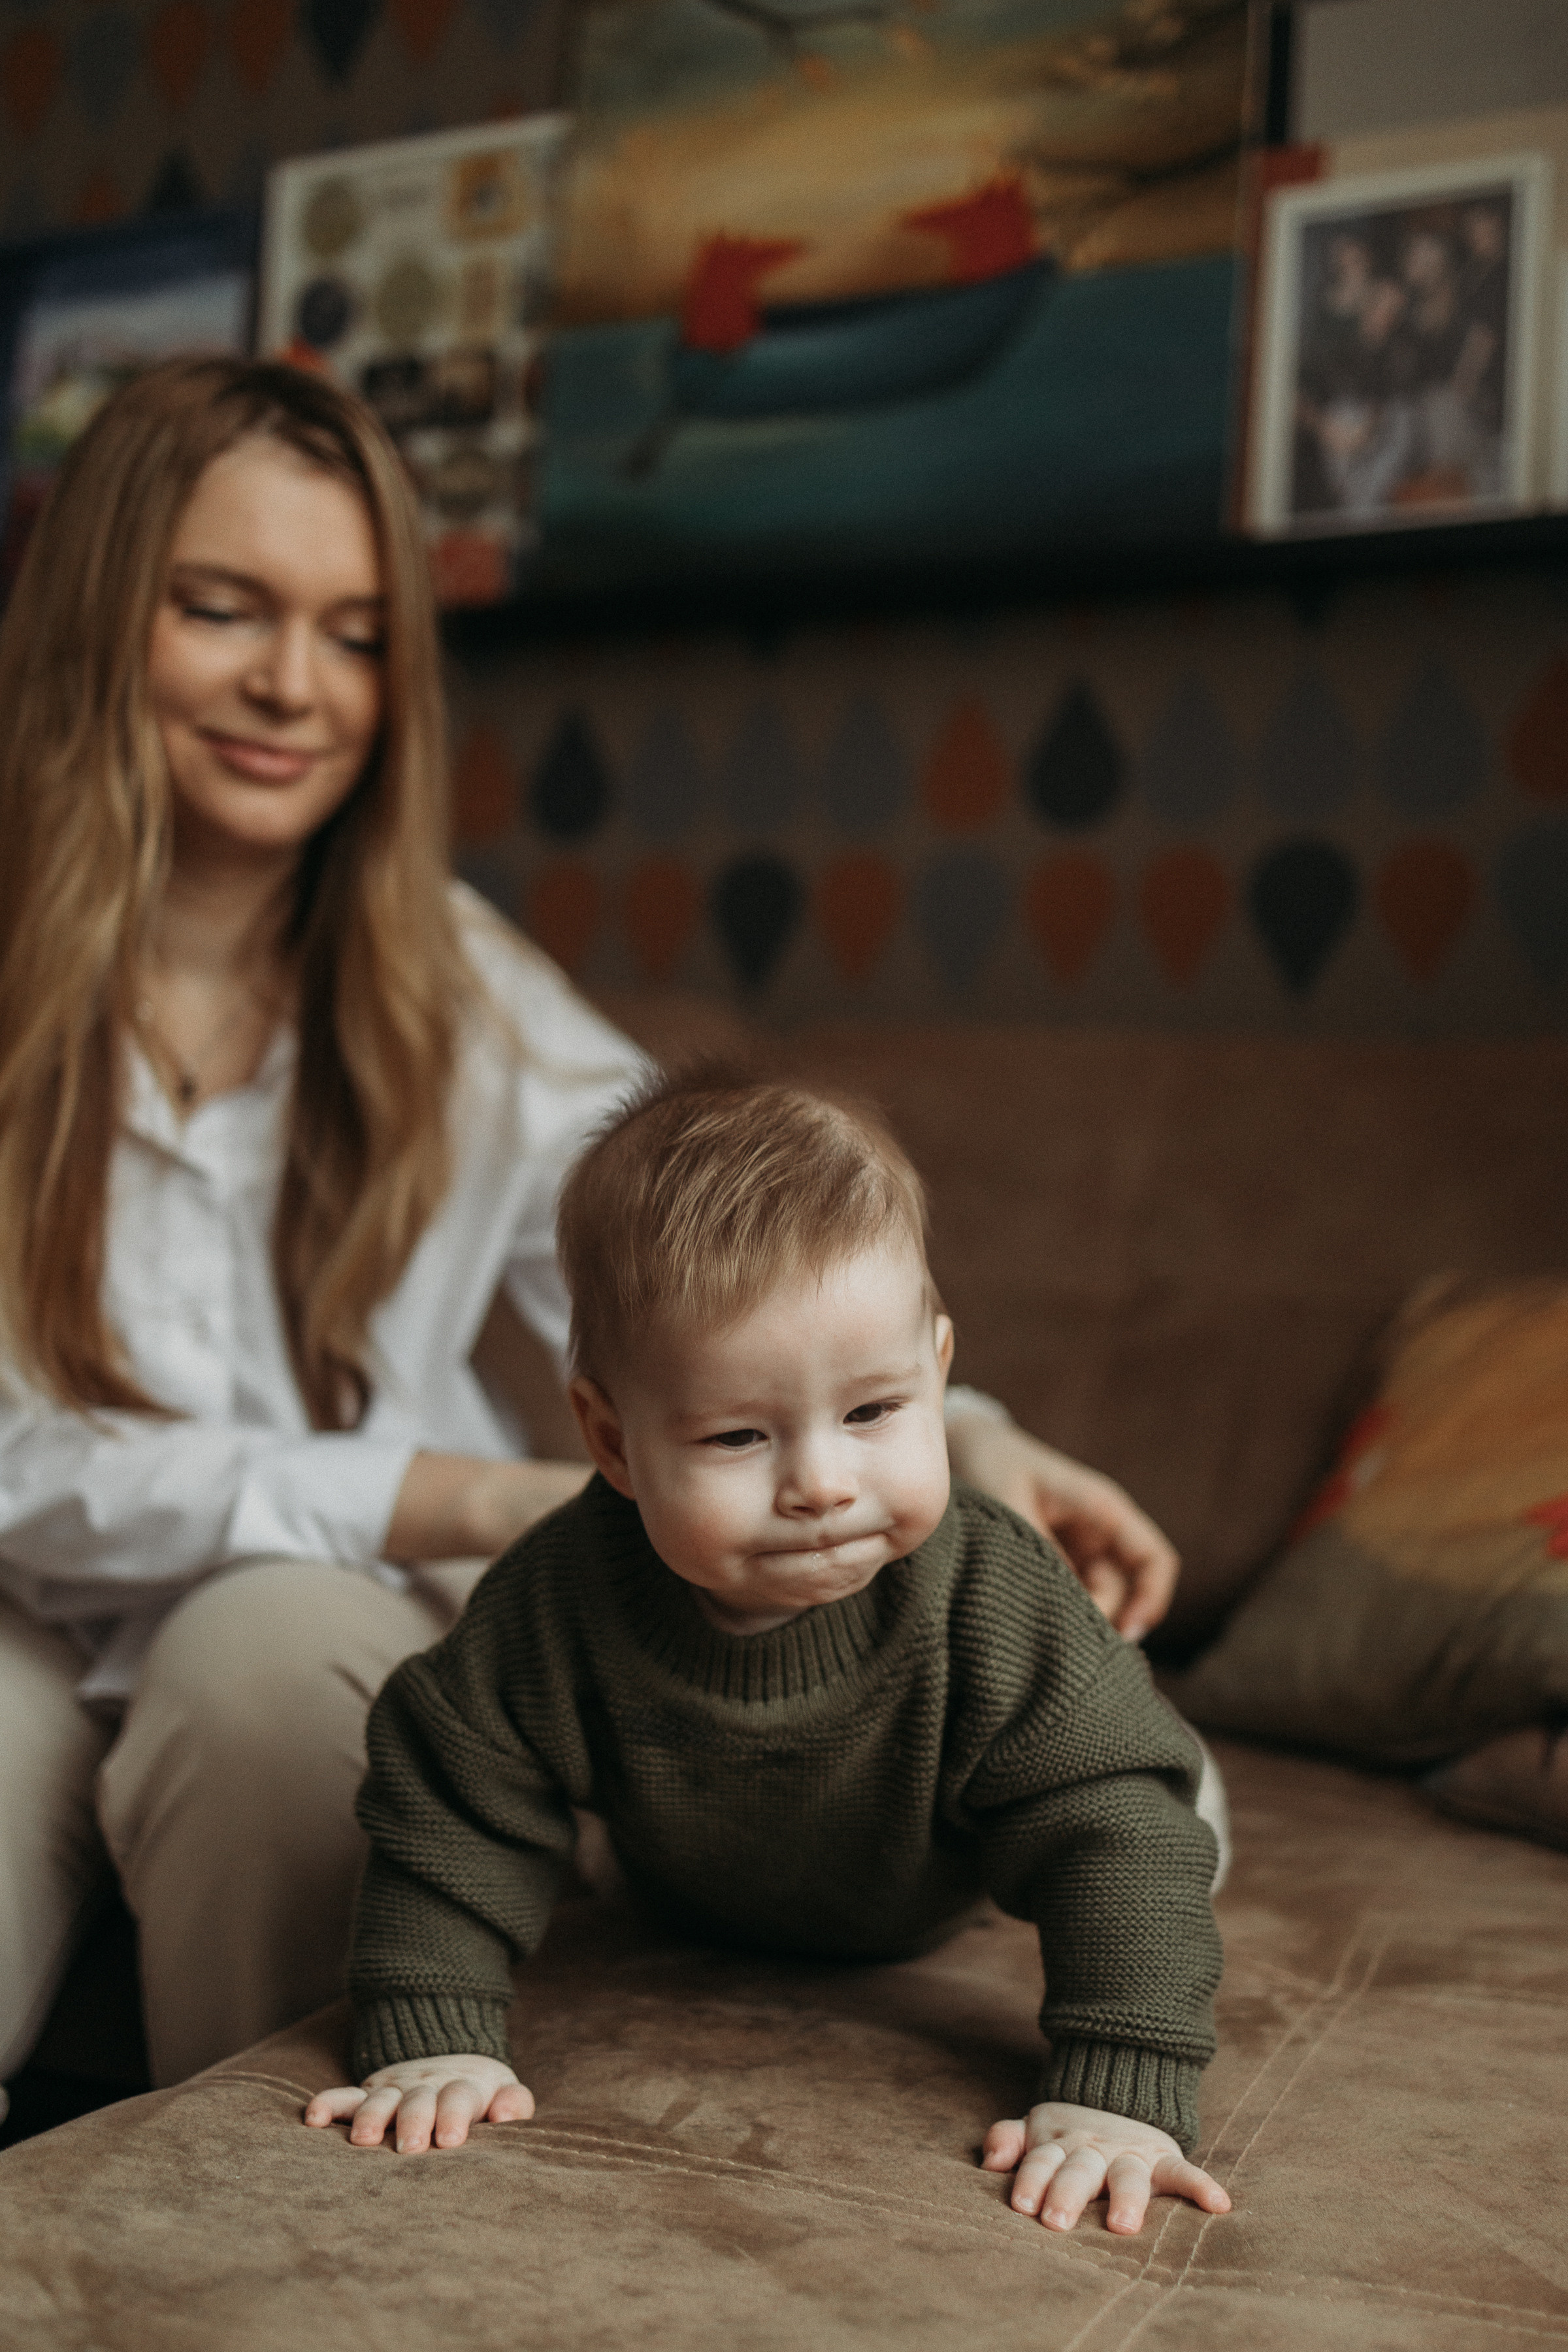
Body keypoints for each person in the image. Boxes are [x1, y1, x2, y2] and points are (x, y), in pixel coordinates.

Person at [0, 357, 1181, 2102]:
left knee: (257, 1671)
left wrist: (980, 1431)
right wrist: (460, 1494)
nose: (290, 686)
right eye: (222, 609)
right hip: (23, 1609)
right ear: (105, 617)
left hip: (315, 1616)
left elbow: (703, 1262)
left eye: (351, 632)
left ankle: (274, 2244)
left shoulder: (452, 979)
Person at [308, 1072, 1230, 2240]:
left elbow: (1113, 1832)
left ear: (939, 1375)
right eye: (740, 1435)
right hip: (694, 1884)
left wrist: (1119, 2094)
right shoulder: (553, 1602)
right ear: (613, 1441)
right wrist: (432, 2033)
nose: (822, 1485)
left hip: (956, 1861)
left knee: (1149, 1804)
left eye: (874, 1413)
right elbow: (451, 1806)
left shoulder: (989, 1592)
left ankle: (1183, 1767)